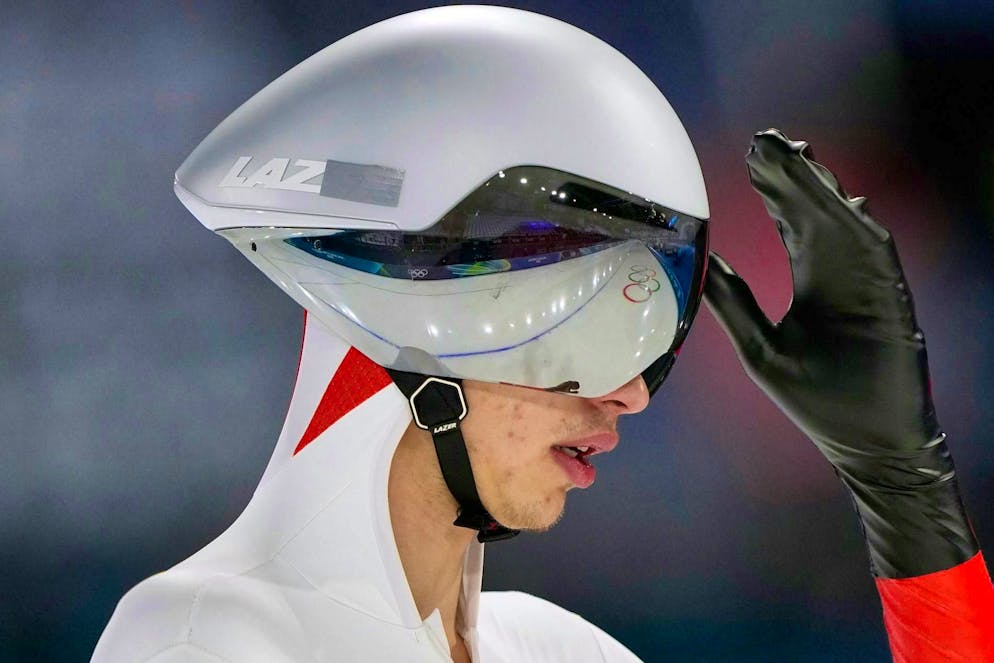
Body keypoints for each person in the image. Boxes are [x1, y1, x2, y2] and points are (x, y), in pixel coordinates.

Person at [92, 6, 994, 662]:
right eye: (585, 320)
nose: (632, 392)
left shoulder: (560, 651)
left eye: (657, 326)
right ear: (414, 307)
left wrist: (903, 490)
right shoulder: (202, 637)